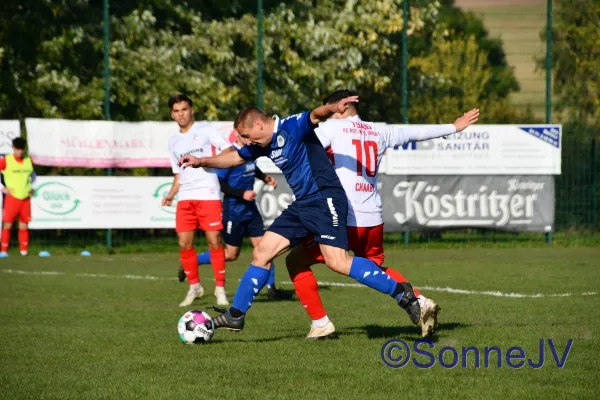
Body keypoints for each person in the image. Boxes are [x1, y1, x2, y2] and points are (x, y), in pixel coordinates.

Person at [178, 95, 427, 337]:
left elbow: (315, 115)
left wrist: (331, 107)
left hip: (325, 198)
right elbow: (233, 157)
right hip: (303, 204)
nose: (244, 141)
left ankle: (403, 295)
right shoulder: (260, 145)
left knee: (338, 262)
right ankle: (236, 314)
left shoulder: (291, 125)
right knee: (262, 252)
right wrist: (202, 161)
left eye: (244, 135)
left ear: (258, 124)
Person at [286, 89, 480, 338]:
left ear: (342, 108)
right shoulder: (380, 130)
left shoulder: (332, 129)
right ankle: (420, 301)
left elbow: (298, 147)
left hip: (343, 217)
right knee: (376, 268)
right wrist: (453, 127)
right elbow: (417, 132)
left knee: (296, 260)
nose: (326, 117)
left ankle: (321, 323)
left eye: (330, 111)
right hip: (373, 218)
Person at [177, 131, 291, 299]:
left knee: (265, 247)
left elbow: (252, 168)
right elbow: (220, 183)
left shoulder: (250, 152)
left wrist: (264, 177)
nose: (250, 139)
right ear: (237, 135)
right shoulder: (230, 156)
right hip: (234, 211)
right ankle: (192, 262)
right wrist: (241, 193)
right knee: (231, 254)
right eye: (246, 135)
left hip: (251, 210)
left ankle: (271, 287)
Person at [162, 94, 231, 307]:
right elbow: (178, 174)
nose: (180, 114)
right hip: (186, 197)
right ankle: (195, 287)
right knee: (184, 243)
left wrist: (208, 162)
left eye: (184, 109)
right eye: (176, 110)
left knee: (214, 240)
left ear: (192, 110)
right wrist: (171, 194)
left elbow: (229, 150)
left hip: (208, 193)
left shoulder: (205, 130)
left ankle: (220, 288)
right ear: (172, 114)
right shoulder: (173, 142)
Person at [0, 137, 37, 258]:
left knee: (24, 225)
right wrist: (2, 188)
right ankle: (4, 250)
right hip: (12, 197)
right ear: (13, 148)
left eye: (22, 149)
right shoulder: (6, 160)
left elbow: (33, 175)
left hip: (25, 198)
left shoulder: (28, 160)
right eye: (17, 149)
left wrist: (33, 187)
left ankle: (24, 251)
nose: (20, 152)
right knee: (7, 224)